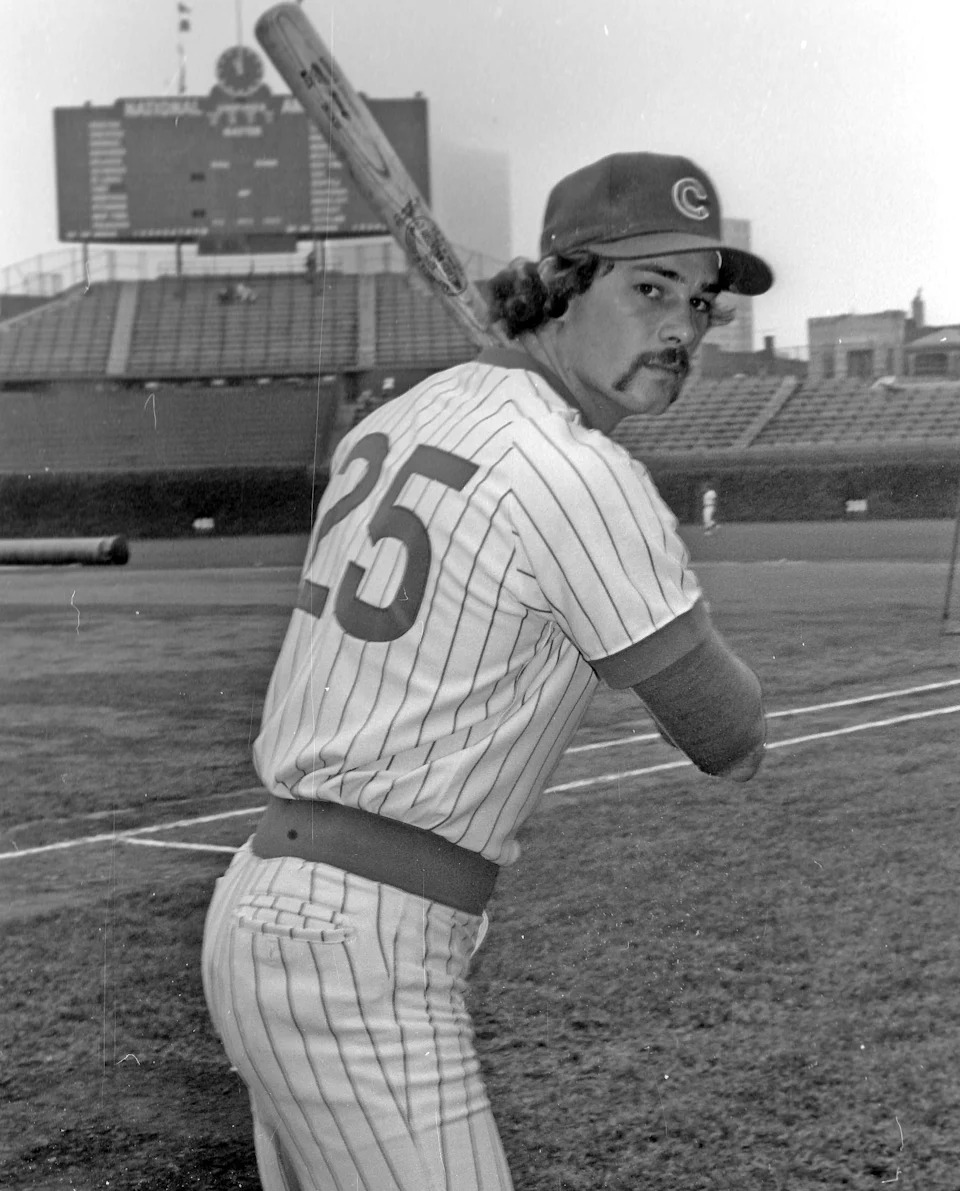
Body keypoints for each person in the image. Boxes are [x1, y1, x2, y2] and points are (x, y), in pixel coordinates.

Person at [202, 151, 773, 1191]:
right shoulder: (580, 473)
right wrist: (663, 586)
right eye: (649, 289)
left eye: (699, 303)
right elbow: (729, 737)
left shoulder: (400, 416)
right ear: (561, 283)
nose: (683, 329)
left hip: (274, 908)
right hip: (360, 944)